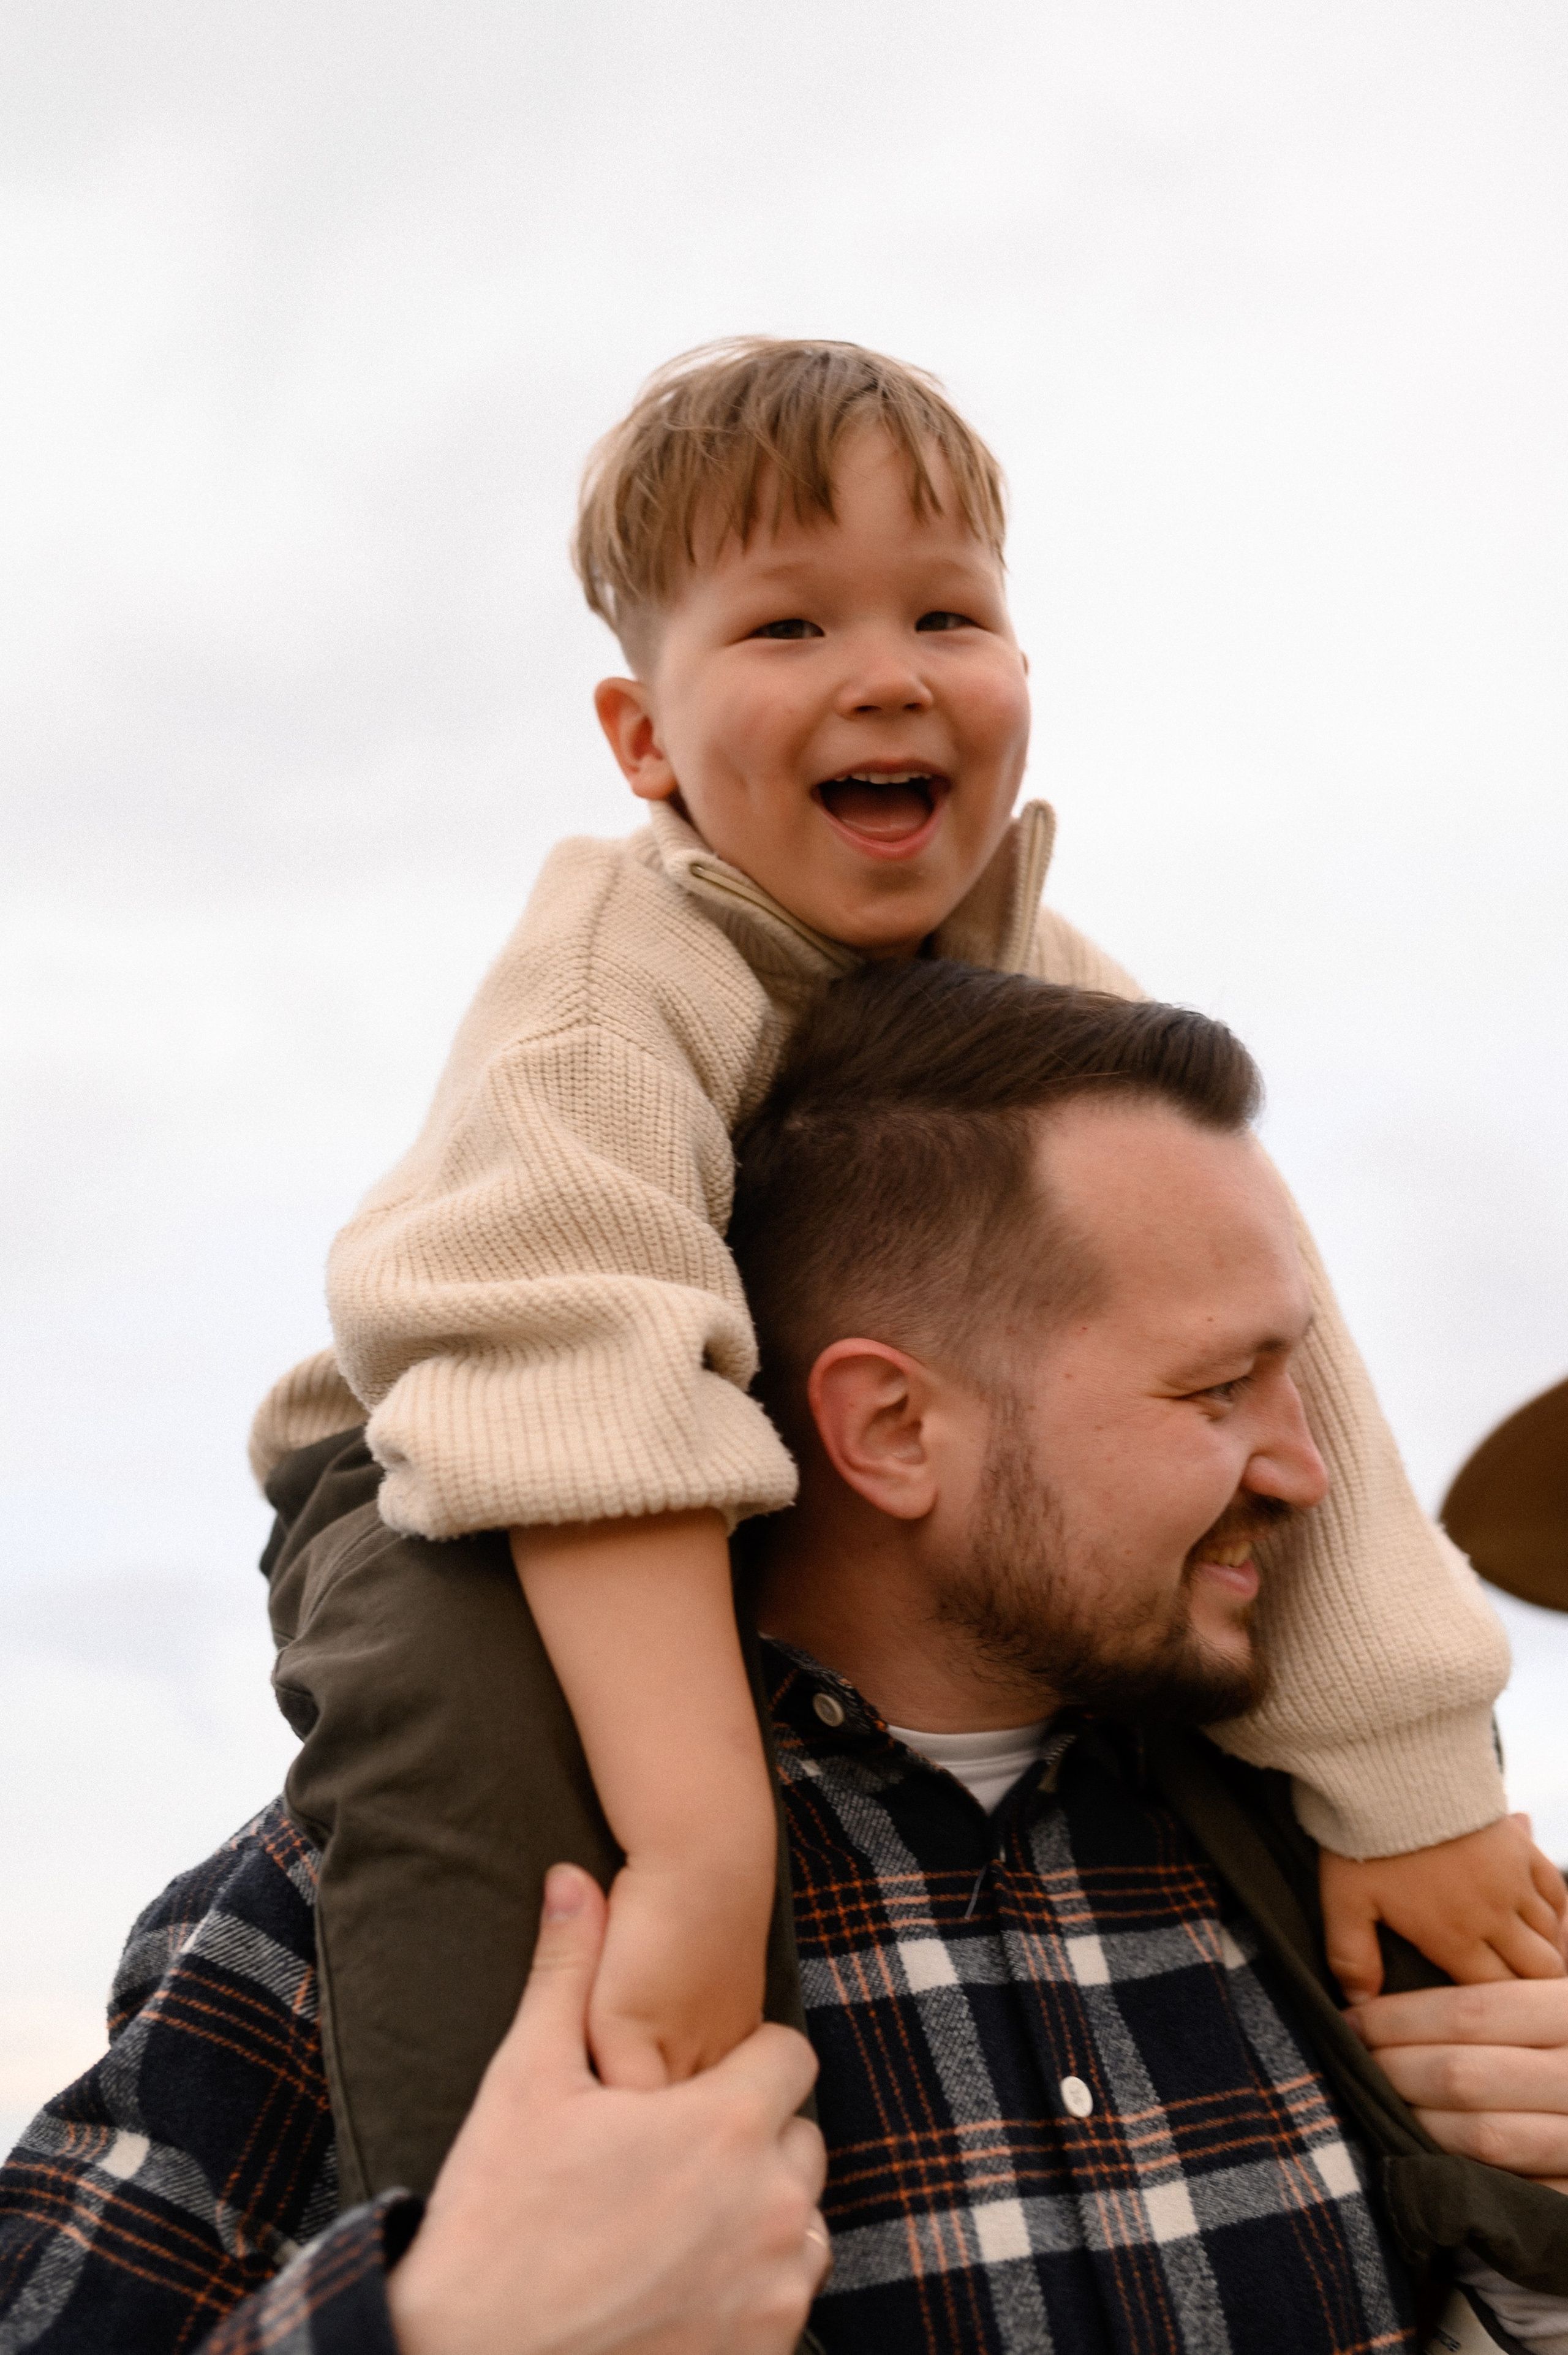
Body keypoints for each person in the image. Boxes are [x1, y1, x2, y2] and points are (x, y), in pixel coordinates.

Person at [241, 339, 1547, 2191]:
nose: (888, 672)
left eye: (948, 613)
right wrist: (704, 1847)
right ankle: (529, 2208)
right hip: (467, 1455)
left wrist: (1415, 1781)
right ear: (642, 739)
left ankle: (1480, 2227)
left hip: (818, 1469)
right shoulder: (611, 983)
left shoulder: (1057, 988)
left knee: (1246, 1678)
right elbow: (570, 1371)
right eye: (787, 626)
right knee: (473, 1744)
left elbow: (1277, 1355)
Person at [4, 966, 1566, 2354]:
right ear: (891, 1427)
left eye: (1298, 1384)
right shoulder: (372, 1902)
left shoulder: (1338, 1874)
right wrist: (433, 2331)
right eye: (1218, 1387)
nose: (1307, 1468)